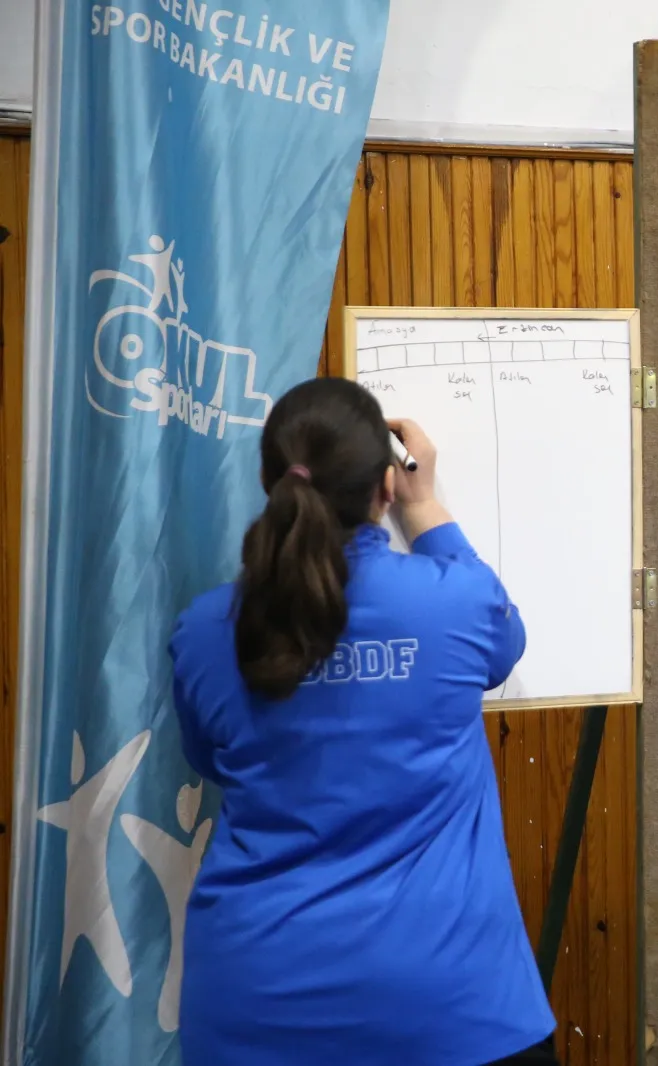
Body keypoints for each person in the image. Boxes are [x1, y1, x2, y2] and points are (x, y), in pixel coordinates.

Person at [168, 377, 559, 1065]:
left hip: (254, 1009)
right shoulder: (455, 602)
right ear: (386, 483)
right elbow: (506, 646)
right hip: (451, 1007)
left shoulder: (204, 632)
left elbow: (208, 761)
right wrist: (426, 504)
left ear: (271, 482)